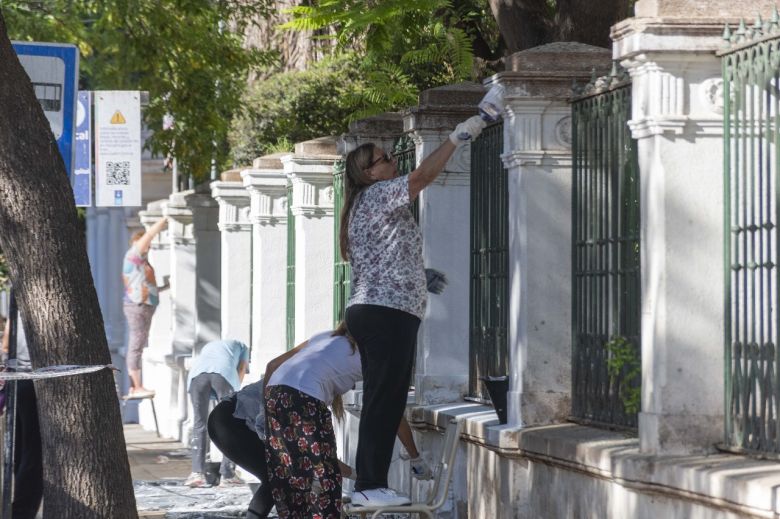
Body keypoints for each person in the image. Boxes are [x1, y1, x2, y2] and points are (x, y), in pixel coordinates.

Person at [340, 115, 485, 507]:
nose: (392, 162)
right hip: (386, 312)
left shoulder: (365, 201)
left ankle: (371, 484)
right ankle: (369, 485)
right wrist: (456, 137)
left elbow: (385, 257)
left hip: (382, 308)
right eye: (384, 158)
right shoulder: (378, 194)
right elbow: (421, 178)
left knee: (384, 400)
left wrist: (419, 277)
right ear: (369, 174)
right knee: (383, 400)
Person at [207, 325, 431, 519]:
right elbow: (391, 411)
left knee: (286, 478)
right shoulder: (368, 357)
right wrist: (414, 457)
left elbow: (273, 364)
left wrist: (356, 474)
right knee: (294, 479)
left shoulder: (326, 339)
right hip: (234, 419)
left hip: (238, 411)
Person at [185, 338, 249, 488]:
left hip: (196, 376)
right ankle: (227, 474)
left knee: (199, 424)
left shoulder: (209, 346)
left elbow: (208, 371)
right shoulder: (243, 346)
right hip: (223, 374)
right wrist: (235, 392)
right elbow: (241, 369)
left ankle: (196, 474)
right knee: (230, 423)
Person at [2, 311, 42, 519]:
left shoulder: (18, 306)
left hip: (18, 379)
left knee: (22, 447)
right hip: (35, 378)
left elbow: (6, 345)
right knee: (34, 450)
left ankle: (19, 507)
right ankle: (23, 511)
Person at [122, 216, 168, 397]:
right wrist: (163, 219)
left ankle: (136, 386)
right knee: (136, 344)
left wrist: (166, 286)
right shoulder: (134, 255)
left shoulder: (141, 262)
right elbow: (149, 235)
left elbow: (147, 286)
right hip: (138, 306)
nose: (147, 246)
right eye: (144, 243)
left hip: (143, 305)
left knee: (138, 343)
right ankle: (136, 386)